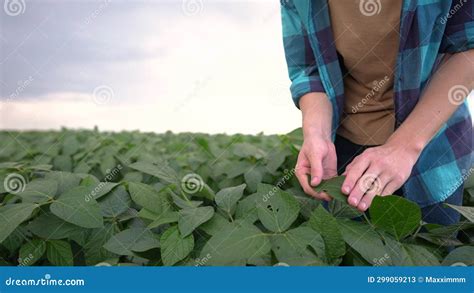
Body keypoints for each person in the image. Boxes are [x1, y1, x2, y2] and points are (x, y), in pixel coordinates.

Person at [281, 0, 473, 225]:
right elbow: (308, 68)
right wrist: (317, 134)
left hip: (433, 153)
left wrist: (403, 147)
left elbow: (467, 48)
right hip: (340, 157)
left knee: (429, 253)